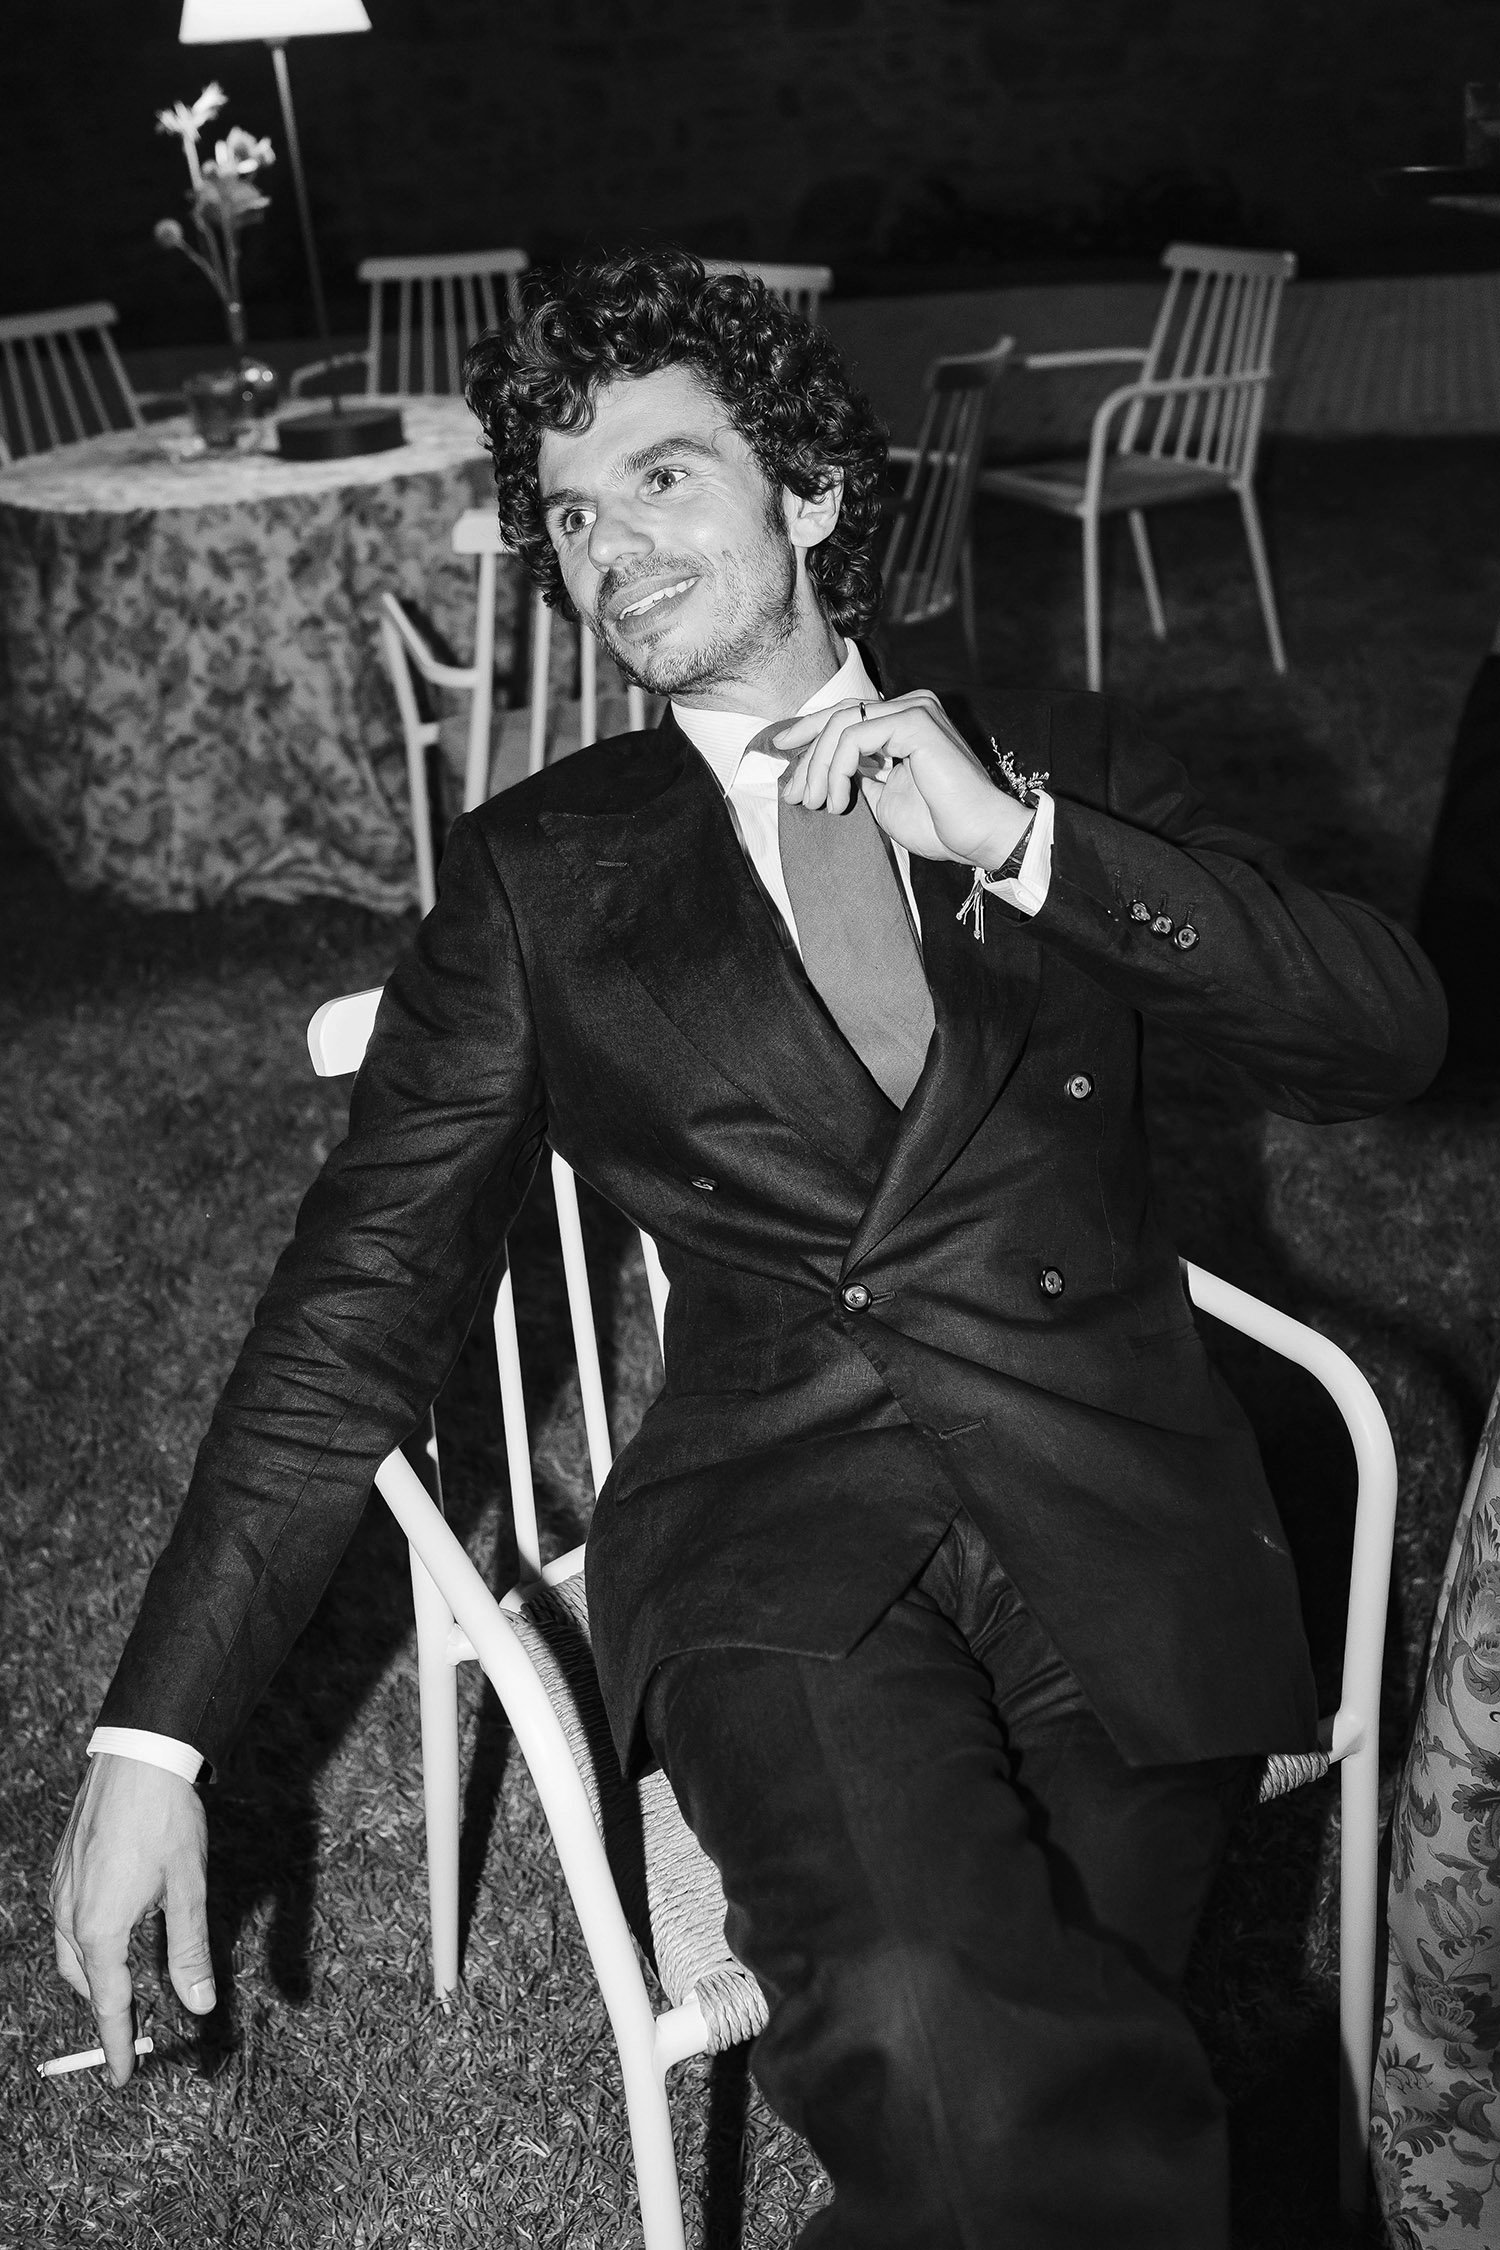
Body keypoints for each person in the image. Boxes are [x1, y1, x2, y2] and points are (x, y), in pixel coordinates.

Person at [51, 249, 1447, 2247]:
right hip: (780, 1537)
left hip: (1119, 1508)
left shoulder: (1060, 755)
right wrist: (155, 1732)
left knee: (1021, 2100)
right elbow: (353, 1304)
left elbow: (1387, 1036)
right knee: (933, 2008)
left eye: (662, 478)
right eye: (568, 516)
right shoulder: (540, 879)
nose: (609, 550)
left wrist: (1026, 845)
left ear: (806, 489)